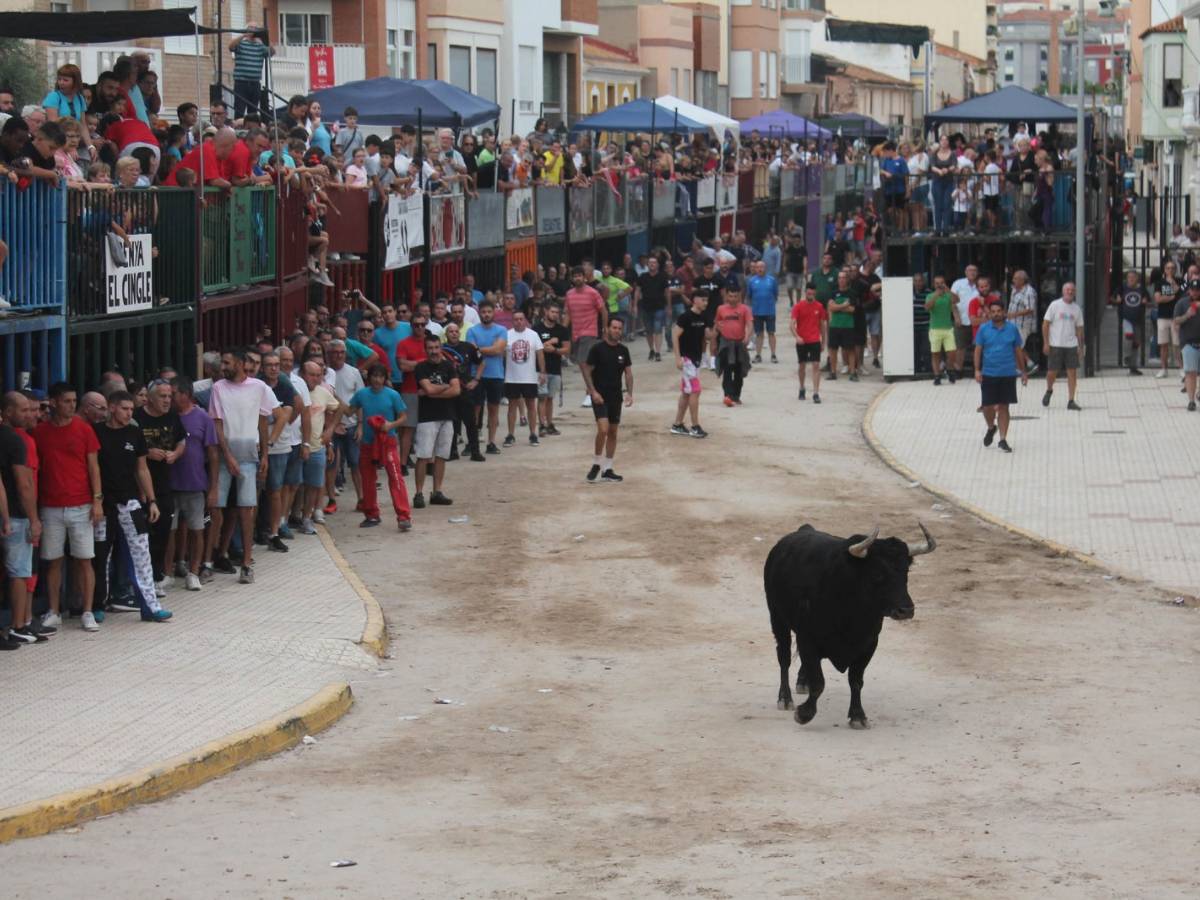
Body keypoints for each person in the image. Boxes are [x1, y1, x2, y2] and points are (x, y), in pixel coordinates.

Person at [92, 391, 172, 620]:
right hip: (105, 505)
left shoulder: (134, 433)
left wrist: (152, 500)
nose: (129, 413)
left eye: (131, 409)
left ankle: (150, 607)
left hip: (131, 503)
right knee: (101, 555)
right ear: (112, 408)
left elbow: (142, 468)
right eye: (125, 409)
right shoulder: (96, 432)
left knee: (141, 553)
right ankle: (99, 604)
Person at [33, 382, 103, 632]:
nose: (72, 405)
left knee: (85, 560)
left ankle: (86, 610)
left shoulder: (84, 430)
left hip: (81, 504)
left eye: (74, 401)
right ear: (53, 402)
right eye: (66, 401)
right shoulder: (40, 432)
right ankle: (54, 610)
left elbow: (93, 466)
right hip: (50, 505)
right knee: (53, 560)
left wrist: (97, 500)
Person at [208, 349, 276, 585]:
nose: (223, 366)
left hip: (249, 454)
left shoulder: (258, 387)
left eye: (227, 362)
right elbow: (217, 424)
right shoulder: (218, 388)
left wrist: (265, 454)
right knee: (216, 508)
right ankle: (209, 560)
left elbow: (263, 420)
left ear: (239, 362)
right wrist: (228, 456)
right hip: (226, 454)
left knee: (247, 510)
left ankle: (247, 562)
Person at [1, 393, 50, 645]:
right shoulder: (16, 441)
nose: (30, 414)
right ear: (7, 412)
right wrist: (34, 519)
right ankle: (18, 624)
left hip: (7, 513)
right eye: (23, 410)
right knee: (19, 572)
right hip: (17, 515)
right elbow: (24, 484)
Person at [134, 379, 186, 595]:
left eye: (169, 396)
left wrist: (176, 453)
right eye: (162, 397)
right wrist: (148, 452)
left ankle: (157, 575)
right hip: (139, 485)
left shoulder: (173, 417)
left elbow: (182, 440)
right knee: (141, 534)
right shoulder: (137, 417)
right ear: (150, 398)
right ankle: (138, 579)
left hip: (164, 483)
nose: (167, 400)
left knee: (163, 531)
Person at [168, 377, 216, 590]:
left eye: (173, 394)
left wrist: (213, 487)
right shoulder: (167, 417)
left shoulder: (203, 418)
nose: (170, 398)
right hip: (169, 484)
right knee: (170, 530)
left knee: (197, 529)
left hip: (195, 483)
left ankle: (194, 571)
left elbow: (213, 455)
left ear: (186, 395)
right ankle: (167, 571)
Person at [350, 364, 411, 529]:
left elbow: (403, 417)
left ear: (385, 378)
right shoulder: (362, 394)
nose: (377, 380)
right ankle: (371, 514)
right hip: (368, 443)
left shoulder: (393, 395)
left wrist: (391, 425)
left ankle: (403, 515)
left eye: (380, 376)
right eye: (374, 376)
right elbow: (350, 410)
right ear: (369, 377)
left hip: (387, 442)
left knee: (395, 477)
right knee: (368, 479)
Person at [581, 318, 634, 483]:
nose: (617, 331)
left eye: (619, 328)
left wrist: (630, 393)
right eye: (614, 327)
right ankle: (597, 462)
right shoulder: (597, 349)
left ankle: (608, 468)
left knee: (613, 431)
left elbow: (628, 373)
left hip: (615, 396)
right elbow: (587, 370)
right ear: (607, 329)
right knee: (603, 429)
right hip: (600, 396)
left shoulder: (623, 350)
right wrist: (592, 391)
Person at [973, 298, 1029, 453]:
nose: (996, 314)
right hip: (989, 373)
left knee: (1004, 406)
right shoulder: (983, 329)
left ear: (1004, 313)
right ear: (989, 313)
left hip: (1008, 373)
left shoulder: (1012, 329)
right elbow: (978, 350)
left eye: (999, 311)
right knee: (987, 406)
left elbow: (1018, 351)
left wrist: (1023, 372)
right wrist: (977, 370)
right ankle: (991, 427)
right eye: (993, 312)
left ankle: (1003, 439)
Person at [412, 337, 461, 508]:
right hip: (427, 417)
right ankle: (418, 493)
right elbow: (431, 388)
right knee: (423, 456)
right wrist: (443, 387)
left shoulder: (449, 366)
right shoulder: (421, 367)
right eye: (430, 348)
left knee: (441, 456)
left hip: (447, 416)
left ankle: (437, 492)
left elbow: (457, 390)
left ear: (441, 348)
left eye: (436, 347)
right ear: (425, 350)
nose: (433, 351)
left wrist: (431, 392)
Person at [298, 361, 344, 531]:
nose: (316, 378)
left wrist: (330, 431)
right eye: (312, 374)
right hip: (296, 445)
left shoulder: (323, 392)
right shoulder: (296, 391)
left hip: (317, 447)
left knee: (314, 485)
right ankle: (288, 518)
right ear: (303, 374)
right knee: (293, 485)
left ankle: (306, 518)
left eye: (319, 375)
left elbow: (340, 409)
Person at [324, 340, 365, 511]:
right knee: (331, 465)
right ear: (329, 354)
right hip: (331, 425)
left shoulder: (354, 372)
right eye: (335, 352)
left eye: (342, 352)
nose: (339, 355)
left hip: (352, 425)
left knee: (356, 463)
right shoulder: (324, 373)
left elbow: (360, 399)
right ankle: (332, 500)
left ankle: (362, 498)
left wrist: (361, 425)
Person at [467, 300, 508, 454]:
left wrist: (479, 349)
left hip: (495, 374)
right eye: (483, 312)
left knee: (493, 409)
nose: (486, 314)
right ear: (479, 313)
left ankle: (491, 442)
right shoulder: (472, 331)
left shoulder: (502, 330)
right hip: (476, 375)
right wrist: (489, 348)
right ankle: (473, 443)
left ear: (493, 313)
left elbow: (498, 350)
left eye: (489, 312)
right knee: (475, 409)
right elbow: (472, 352)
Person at [563, 267, 608, 407]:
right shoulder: (569, 294)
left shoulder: (593, 293)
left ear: (584, 277)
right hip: (575, 333)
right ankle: (597, 388)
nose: (577, 278)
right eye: (575, 276)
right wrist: (562, 331)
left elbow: (603, 310)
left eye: (579, 276)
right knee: (586, 364)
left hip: (590, 332)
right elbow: (568, 314)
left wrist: (605, 328)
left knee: (584, 364)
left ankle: (590, 393)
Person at [502, 310, 546, 446]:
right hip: (512, 377)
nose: (519, 321)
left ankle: (533, 434)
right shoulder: (507, 335)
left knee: (531, 406)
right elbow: (503, 356)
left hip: (530, 377)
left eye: (521, 319)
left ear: (525, 320)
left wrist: (542, 372)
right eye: (516, 319)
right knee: (512, 407)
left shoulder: (533, 335)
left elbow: (540, 354)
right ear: (512, 321)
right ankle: (510, 434)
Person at [1042, 282, 1085, 410]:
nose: (1070, 292)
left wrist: (1081, 347)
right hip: (1055, 344)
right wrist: (1046, 342)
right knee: (1052, 372)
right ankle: (1049, 390)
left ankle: (1071, 400)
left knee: (1072, 372)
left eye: (1072, 290)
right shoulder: (1054, 305)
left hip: (1071, 345)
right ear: (1063, 291)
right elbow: (1045, 325)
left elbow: (1079, 329)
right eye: (1067, 289)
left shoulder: (1077, 309)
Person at [535, 301, 570, 437]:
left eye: (557, 313)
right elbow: (535, 347)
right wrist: (549, 343)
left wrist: (554, 349)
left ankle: (549, 424)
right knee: (542, 397)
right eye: (552, 312)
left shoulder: (562, 330)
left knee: (550, 398)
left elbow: (567, 349)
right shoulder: (537, 329)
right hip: (540, 369)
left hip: (556, 369)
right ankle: (542, 425)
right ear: (545, 312)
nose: (555, 315)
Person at [713, 285, 753, 406]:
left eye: (735, 296)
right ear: (726, 295)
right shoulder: (720, 309)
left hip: (739, 343)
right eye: (730, 296)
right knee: (727, 370)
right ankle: (727, 395)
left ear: (739, 296)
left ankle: (736, 396)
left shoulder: (745, 309)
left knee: (739, 371)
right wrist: (714, 341)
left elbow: (750, 324)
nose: (733, 299)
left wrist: (747, 336)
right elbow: (717, 323)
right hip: (725, 343)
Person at [790, 285, 828, 403]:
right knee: (802, 366)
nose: (810, 295)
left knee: (816, 365)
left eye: (812, 293)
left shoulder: (819, 306)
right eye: (808, 293)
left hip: (815, 340)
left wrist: (823, 342)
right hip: (802, 341)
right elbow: (792, 324)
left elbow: (822, 325)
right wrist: (797, 336)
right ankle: (802, 388)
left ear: (815, 293)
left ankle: (816, 393)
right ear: (805, 293)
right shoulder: (798, 306)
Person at [925, 274, 961, 386]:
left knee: (952, 353)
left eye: (941, 283)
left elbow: (957, 300)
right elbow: (927, 307)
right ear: (933, 285)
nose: (939, 285)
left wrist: (948, 291)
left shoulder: (948, 295)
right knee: (935, 354)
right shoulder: (930, 295)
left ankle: (949, 369)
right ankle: (937, 376)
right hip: (935, 329)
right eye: (937, 283)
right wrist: (936, 295)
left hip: (948, 329)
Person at [1114, 269, 1150, 376]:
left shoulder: (1142, 289)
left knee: (1136, 343)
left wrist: (1146, 300)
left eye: (1133, 277)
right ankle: (1126, 356)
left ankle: (1133, 367)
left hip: (1138, 319)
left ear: (1137, 278)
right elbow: (1112, 298)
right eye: (1129, 277)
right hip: (1126, 317)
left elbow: (1148, 298)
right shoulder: (1122, 287)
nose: (1131, 279)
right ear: (1127, 278)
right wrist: (1117, 299)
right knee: (1129, 335)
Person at [747, 259, 780, 364]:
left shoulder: (772, 280)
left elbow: (776, 294)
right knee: (759, 334)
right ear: (755, 269)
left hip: (770, 311)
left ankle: (773, 354)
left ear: (765, 268)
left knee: (771, 333)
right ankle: (758, 355)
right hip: (757, 312)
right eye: (758, 267)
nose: (760, 269)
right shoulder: (751, 281)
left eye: (762, 267)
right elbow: (749, 296)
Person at [827, 271, 858, 382]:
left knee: (850, 350)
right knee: (832, 350)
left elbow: (852, 309)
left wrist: (837, 307)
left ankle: (853, 372)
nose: (841, 280)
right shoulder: (833, 293)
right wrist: (844, 305)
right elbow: (830, 308)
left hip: (848, 326)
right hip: (834, 325)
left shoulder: (852, 293)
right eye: (839, 278)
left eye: (844, 278)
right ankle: (833, 372)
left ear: (847, 279)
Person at [1153, 261, 1182, 378]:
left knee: (1177, 344)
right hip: (1163, 317)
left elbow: (1181, 295)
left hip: (1176, 317)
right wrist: (1171, 297)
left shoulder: (1180, 281)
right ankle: (1163, 369)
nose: (1170, 270)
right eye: (1168, 268)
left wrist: (1173, 284)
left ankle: (1181, 368)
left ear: (1175, 270)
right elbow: (1158, 299)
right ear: (1164, 270)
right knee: (1163, 344)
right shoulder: (1159, 283)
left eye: (1172, 268)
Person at [950, 264, 980, 377]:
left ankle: (976, 369)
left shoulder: (980, 285)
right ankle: (958, 370)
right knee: (960, 347)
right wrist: (956, 316)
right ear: (965, 272)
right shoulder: (958, 283)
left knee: (978, 346)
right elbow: (952, 302)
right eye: (970, 270)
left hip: (977, 321)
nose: (972, 272)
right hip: (961, 320)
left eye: (974, 270)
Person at [1007, 269, 1039, 373]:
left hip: (1023, 324)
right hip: (1013, 322)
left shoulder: (1029, 292)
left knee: (1017, 346)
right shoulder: (1014, 289)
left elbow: (1030, 309)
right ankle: (1027, 365)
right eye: (1014, 278)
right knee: (1015, 345)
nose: (1013, 280)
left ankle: (1023, 367)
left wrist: (1014, 314)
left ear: (1023, 280)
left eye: (1016, 278)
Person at [783, 232, 807, 305]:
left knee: (799, 289)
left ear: (800, 240)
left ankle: (798, 303)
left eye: (798, 240)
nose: (797, 241)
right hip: (790, 271)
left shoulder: (803, 249)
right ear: (793, 240)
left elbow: (805, 259)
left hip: (799, 271)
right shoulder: (790, 248)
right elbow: (785, 257)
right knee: (789, 287)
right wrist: (784, 265)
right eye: (795, 240)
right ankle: (791, 300)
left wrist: (805, 269)